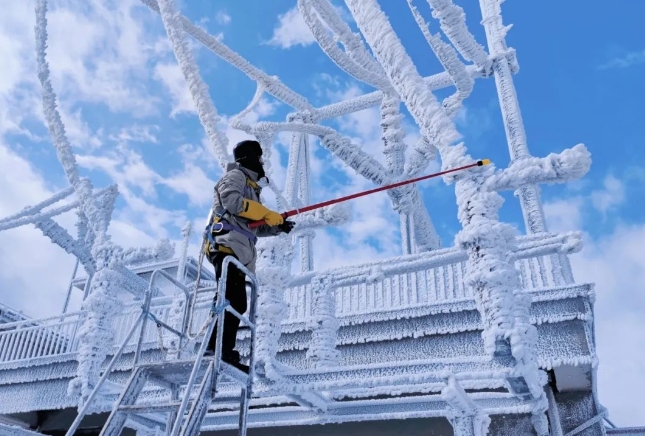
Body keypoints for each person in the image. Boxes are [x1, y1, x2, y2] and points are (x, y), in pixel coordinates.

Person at [202, 139, 294, 373]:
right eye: (260, 157)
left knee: (233, 301)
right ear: (251, 157)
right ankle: (218, 349)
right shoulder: (235, 177)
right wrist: (267, 213)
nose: (262, 162)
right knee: (233, 300)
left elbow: (253, 226)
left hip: (238, 251)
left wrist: (276, 225)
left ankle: (218, 348)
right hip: (225, 247)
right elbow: (233, 203)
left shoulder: (252, 189)